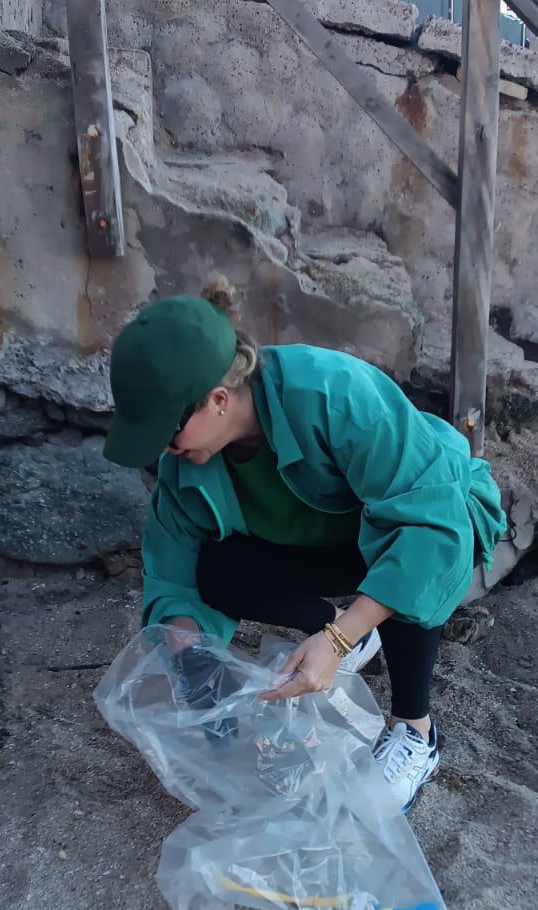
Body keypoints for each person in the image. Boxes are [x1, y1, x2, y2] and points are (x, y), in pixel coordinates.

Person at [102, 279, 506, 812]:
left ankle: (414, 732)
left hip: (426, 520)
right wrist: (191, 657)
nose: (165, 452)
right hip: (327, 542)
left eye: (168, 434)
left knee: (403, 557)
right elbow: (172, 566)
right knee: (215, 568)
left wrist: (337, 641)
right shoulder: (186, 466)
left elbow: (428, 529)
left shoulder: (334, 395)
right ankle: (347, 631)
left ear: (218, 400)